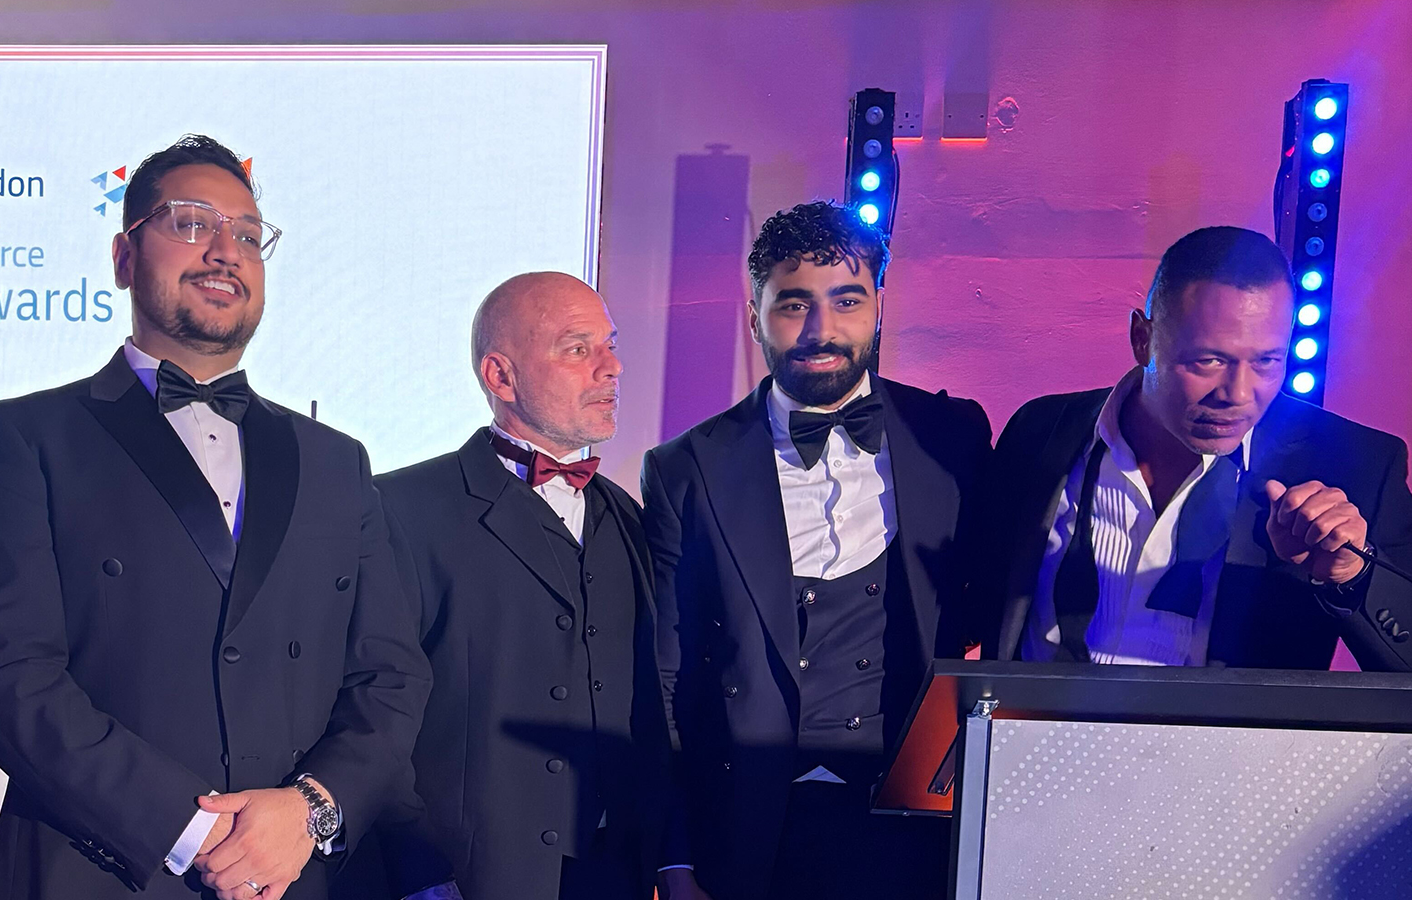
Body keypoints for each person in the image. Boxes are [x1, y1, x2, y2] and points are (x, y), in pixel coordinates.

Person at [0, 134, 432, 900]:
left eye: (248, 235)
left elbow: (391, 676)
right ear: (123, 257)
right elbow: (5, 676)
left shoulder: (335, 462)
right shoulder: (28, 437)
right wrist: (192, 829)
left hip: (295, 875)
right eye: (192, 223)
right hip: (100, 871)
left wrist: (309, 811)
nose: (225, 251)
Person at [641, 201, 993, 898]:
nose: (821, 330)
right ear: (755, 317)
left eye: (847, 301)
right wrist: (674, 857)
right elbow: (666, 679)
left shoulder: (951, 436)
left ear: (879, 308)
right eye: (794, 304)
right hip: (746, 831)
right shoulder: (686, 467)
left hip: (915, 829)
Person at [346, 273, 676, 900]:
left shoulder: (629, 518)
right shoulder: (401, 509)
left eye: (609, 346)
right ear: (500, 376)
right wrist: (420, 873)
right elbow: (371, 707)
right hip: (466, 881)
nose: (611, 367)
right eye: (577, 349)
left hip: (615, 874)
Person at [978, 225, 1412, 671]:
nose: (1237, 394)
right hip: (1029, 716)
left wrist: (1351, 575)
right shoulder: (1041, 432)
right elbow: (972, 602)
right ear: (1142, 340)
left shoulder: (1356, 464)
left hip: (1232, 722)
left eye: (1266, 361)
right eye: (1209, 360)